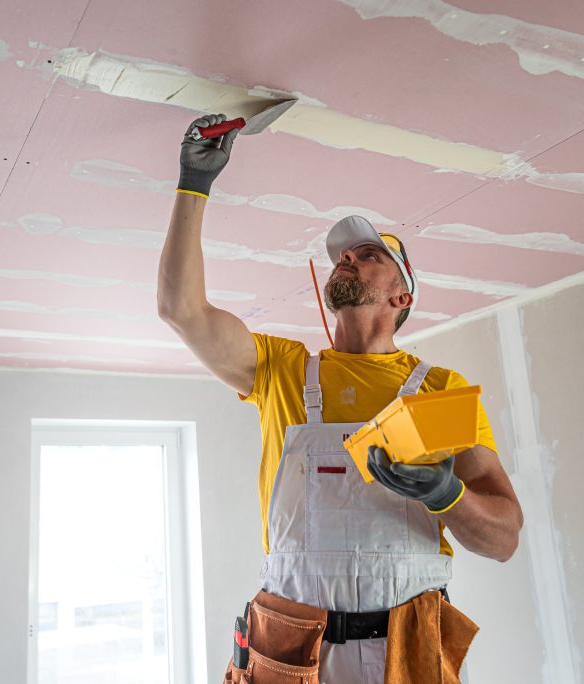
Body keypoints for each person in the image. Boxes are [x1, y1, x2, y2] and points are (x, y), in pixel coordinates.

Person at [158, 114, 524, 683]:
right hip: (291, 654)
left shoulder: (437, 390)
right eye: (342, 256)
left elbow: (503, 539)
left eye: (367, 255)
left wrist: (448, 493)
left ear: (402, 294)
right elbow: (181, 311)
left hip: (409, 652)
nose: (346, 258)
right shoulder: (280, 369)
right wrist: (193, 184)